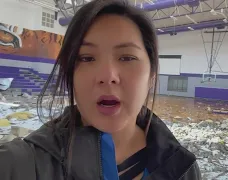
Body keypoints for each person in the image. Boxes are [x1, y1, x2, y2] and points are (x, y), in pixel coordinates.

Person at [0, 0, 201, 179]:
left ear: (151, 75)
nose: (107, 76)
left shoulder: (182, 168)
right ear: (70, 73)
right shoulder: (21, 166)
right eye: (87, 58)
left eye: (127, 58)